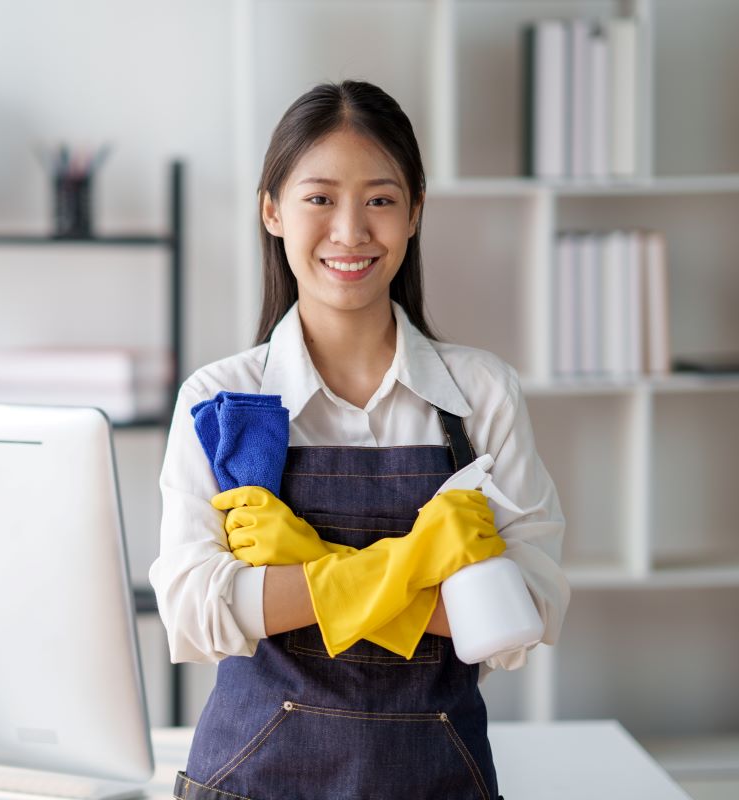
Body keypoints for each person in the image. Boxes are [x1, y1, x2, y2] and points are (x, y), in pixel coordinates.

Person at [149, 80, 569, 800]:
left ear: (414, 215)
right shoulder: (219, 401)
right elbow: (196, 612)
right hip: (250, 782)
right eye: (319, 198)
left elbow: (520, 618)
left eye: (379, 199)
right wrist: (422, 566)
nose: (350, 232)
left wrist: (295, 569)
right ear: (272, 211)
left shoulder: (480, 396)